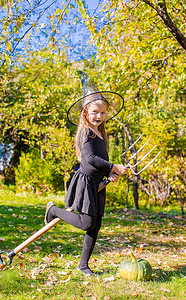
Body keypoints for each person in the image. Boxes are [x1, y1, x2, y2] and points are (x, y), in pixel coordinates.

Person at [44, 71, 127, 276]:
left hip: (97, 182)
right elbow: (88, 160)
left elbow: (100, 163)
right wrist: (113, 166)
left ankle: (83, 266)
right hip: (86, 181)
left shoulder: (101, 134)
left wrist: (110, 176)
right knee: (87, 222)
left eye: (102, 113)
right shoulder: (85, 132)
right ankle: (54, 211)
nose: (98, 116)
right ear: (85, 113)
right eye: (94, 112)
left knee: (95, 225)